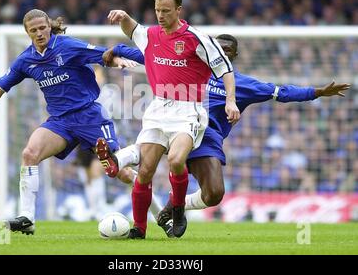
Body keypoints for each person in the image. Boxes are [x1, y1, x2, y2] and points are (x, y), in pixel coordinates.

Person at [98, 34, 351, 237]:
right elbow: (151, 55)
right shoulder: (187, 66)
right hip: (174, 121)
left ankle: (176, 204)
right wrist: (118, 49)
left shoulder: (241, 85)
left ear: (234, 56)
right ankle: (118, 160)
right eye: (218, 48)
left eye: (227, 51)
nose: (222, 53)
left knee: (214, 194)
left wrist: (316, 92)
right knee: (153, 144)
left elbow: (281, 92)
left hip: (206, 137)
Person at [0, 9, 143, 235]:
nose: (39, 33)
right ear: (27, 33)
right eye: (33, 30)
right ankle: (27, 217)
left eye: (42, 28)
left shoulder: (67, 46)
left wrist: (116, 60)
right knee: (29, 153)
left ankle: (157, 208)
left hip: (89, 116)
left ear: (49, 26)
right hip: (60, 122)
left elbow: (102, 54)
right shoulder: (25, 60)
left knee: (121, 172)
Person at [98, 0, 240, 239]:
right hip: (158, 108)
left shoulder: (197, 38)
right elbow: (133, 29)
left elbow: (225, 69)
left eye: (166, 11)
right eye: (157, 11)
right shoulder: (151, 35)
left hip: (189, 111)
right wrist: (123, 16)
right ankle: (139, 229)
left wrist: (231, 101)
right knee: (145, 170)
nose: (161, 15)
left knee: (175, 160)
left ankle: (177, 209)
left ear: (178, 10)